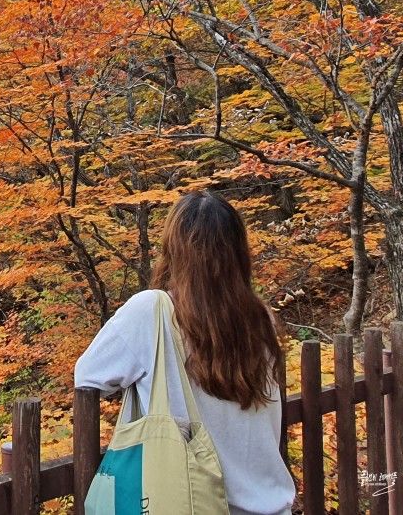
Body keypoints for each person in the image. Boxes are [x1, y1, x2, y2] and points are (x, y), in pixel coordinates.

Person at [74, 191, 295, 515]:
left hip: (192, 504)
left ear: (173, 249)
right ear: (238, 252)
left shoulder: (153, 311)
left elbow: (88, 375)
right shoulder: (260, 320)